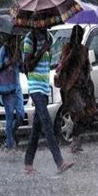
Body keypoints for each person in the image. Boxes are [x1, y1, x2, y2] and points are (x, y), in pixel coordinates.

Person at [23, 28, 74, 174]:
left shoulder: (49, 37)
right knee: (47, 122)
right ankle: (59, 162)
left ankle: (28, 163)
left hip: (45, 87)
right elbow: (28, 66)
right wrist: (40, 51)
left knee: (37, 127)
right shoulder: (29, 39)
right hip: (35, 87)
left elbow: (49, 61)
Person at [55, 25, 96, 153]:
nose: (79, 39)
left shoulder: (83, 50)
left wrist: (88, 84)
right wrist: (72, 54)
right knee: (78, 112)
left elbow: (87, 68)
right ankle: (75, 141)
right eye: (78, 36)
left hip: (83, 86)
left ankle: (77, 140)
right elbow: (62, 65)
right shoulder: (67, 48)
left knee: (87, 114)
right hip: (71, 88)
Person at [0, 35, 24, 153]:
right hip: (7, 88)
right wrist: (10, 62)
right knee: (9, 116)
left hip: (17, 87)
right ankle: (10, 145)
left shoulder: (19, 50)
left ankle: (10, 133)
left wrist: (20, 60)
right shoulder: (4, 50)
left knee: (21, 114)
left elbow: (21, 68)